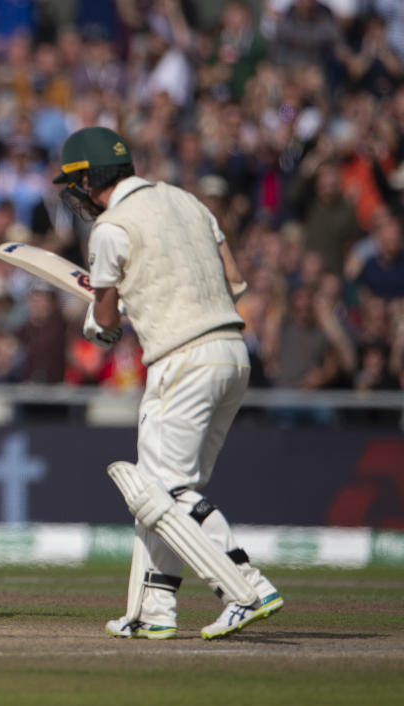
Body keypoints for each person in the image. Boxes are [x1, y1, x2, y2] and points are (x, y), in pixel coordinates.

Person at [53, 126, 282, 640]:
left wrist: (102, 319)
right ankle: (154, 608)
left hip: (182, 360)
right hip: (232, 354)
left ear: (89, 180)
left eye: (76, 184)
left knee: (160, 489)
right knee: (171, 490)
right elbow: (234, 281)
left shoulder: (111, 229)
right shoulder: (186, 200)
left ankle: (246, 586)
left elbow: (106, 324)